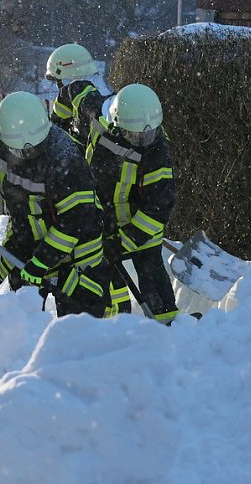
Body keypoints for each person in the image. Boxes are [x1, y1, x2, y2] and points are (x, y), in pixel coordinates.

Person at [0, 91, 113, 318]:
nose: (25, 154)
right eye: (18, 149)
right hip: (26, 237)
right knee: (20, 322)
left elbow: (76, 221)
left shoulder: (65, 157)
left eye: (30, 149)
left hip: (77, 252)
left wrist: (42, 262)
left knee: (81, 327)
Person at [86, 83, 179, 324]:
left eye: (148, 134)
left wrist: (124, 241)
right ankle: (116, 325)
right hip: (103, 216)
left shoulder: (158, 151)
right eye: (136, 135)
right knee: (104, 272)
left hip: (141, 222)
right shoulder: (100, 122)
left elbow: (156, 209)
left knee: (151, 271)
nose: (143, 140)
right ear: (116, 123)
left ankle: (167, 322)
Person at [46, 43, 110, 149]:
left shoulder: (78, 98)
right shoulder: (104, 98)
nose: (59, 88)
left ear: (66, 77)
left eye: (58, 82)